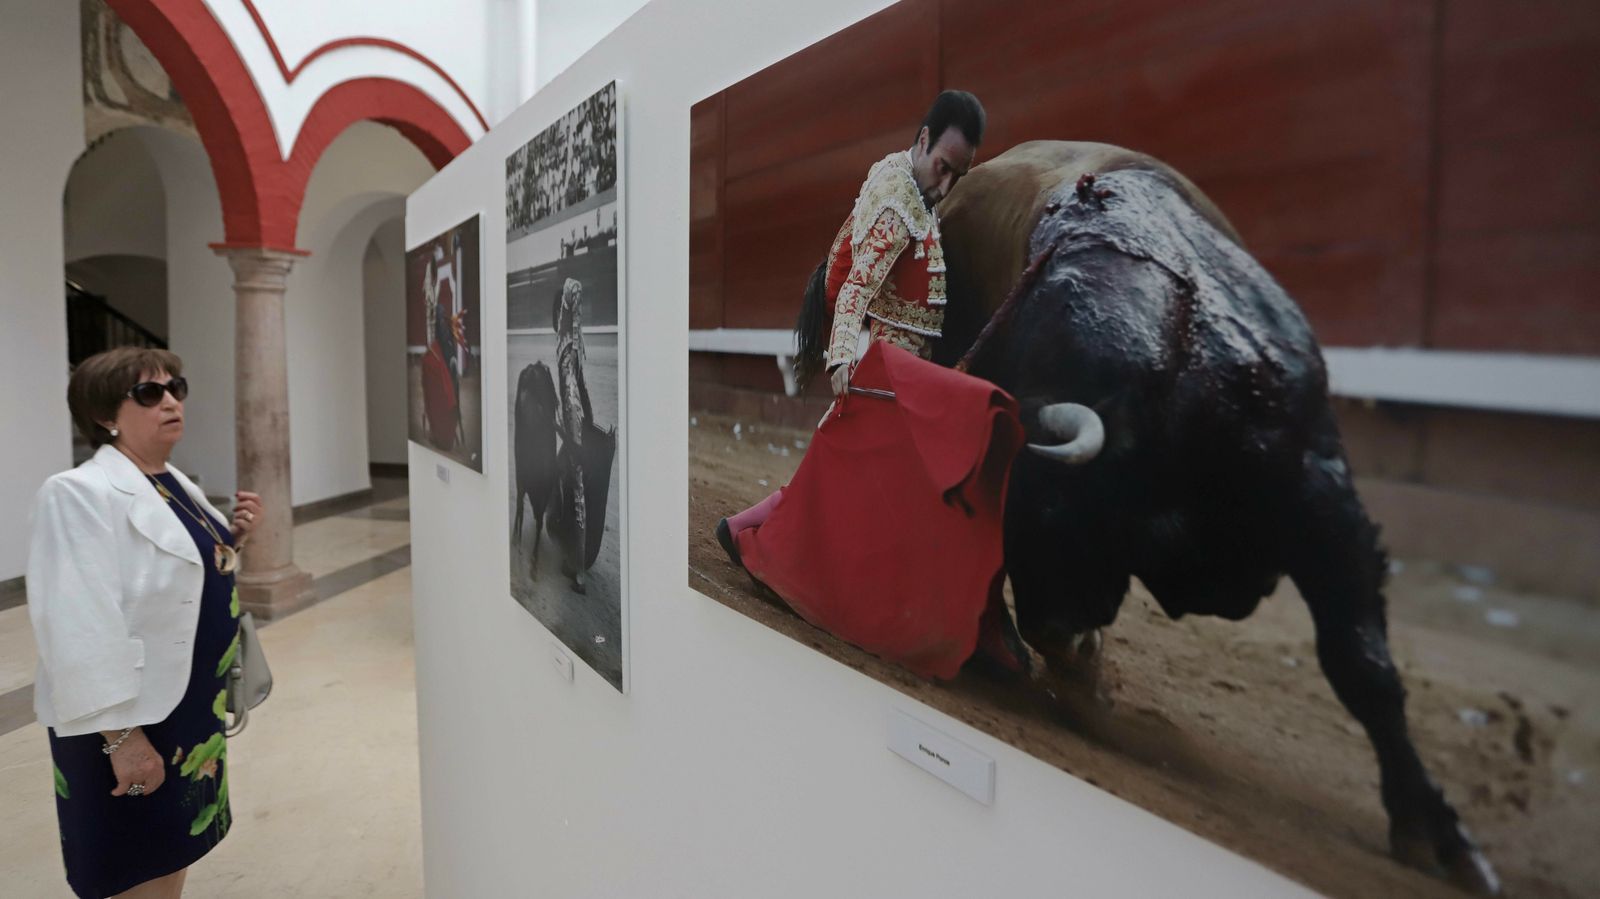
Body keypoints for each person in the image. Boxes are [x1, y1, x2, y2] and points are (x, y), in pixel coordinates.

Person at [715, 91, 1029, 679]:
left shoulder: (905, 179)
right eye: (944, 166)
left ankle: (740, 528)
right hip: (890, 371)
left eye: (960, 173)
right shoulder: (897, 210)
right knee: (883, 493)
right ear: (922, 140)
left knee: (850, 484)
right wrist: (841, 361)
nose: (949, 184)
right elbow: (857, 287)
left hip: (906, 371)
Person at [28, 347, 262, 898]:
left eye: (175, 387)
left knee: (172, 847)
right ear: (106, 415)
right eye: (149, 393)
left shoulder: (174, 481)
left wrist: (232, 542)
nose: (170, 401)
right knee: (131, 861)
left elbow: (177, 573)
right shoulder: (77, 493)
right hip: (125, 717)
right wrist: (122, 739)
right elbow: (74, 623)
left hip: (185, 706)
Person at [553, 277, 594, 594]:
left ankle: (579, 571)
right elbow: (580, 391)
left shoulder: (567, 346)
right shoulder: (575, 344)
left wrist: (571, 438)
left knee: (575, 491)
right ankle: (573, 559)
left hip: (573, 429)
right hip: (576, 424)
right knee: (569, 485)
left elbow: (570, 396)